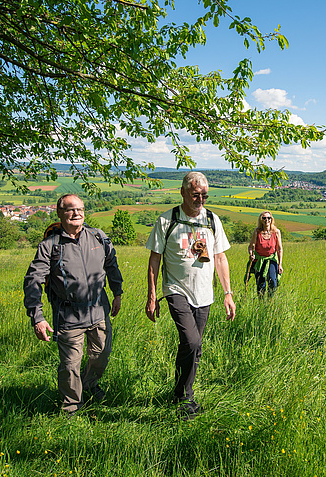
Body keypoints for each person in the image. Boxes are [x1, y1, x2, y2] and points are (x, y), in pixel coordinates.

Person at [145, 171, 236, 419]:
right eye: (196, 195)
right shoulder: (167, 221)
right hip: (176, 290)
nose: (200, 200)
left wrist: (228, 293)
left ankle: (179, 393)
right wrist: (152, 295)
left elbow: (220, 257)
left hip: (204, 293)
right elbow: (155, 259)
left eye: (204, 195)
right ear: (183, 192)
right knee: (192, 342)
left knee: (193, 347)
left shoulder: (212, 220)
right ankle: (187, 398)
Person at [23, 194, 123, 416]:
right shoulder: (50, 246)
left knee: (101, 356)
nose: (76, 213)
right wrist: (37, 316)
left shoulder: (98, 237)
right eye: (70, 209)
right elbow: (33, 280)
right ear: (59, 213)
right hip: (68, 315)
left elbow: (112, 265)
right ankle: (71, 408)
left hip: (98, 310)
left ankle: (89, 384)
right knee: (70, 365)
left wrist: (117, 292)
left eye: (80, 209)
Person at [247, 211, 283, 296]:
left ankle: (270, 300)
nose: (267, 220)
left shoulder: (276, 232)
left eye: (269, 218)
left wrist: (280, 264)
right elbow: (250, 246)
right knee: (260, 283)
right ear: (261, 220)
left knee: (272, 280)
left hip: (271, 259)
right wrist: (251, 254)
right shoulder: (257, 232)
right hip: (259, 260)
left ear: (271, 219)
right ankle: (261, 303)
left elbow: (279, 249)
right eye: (264, 218)